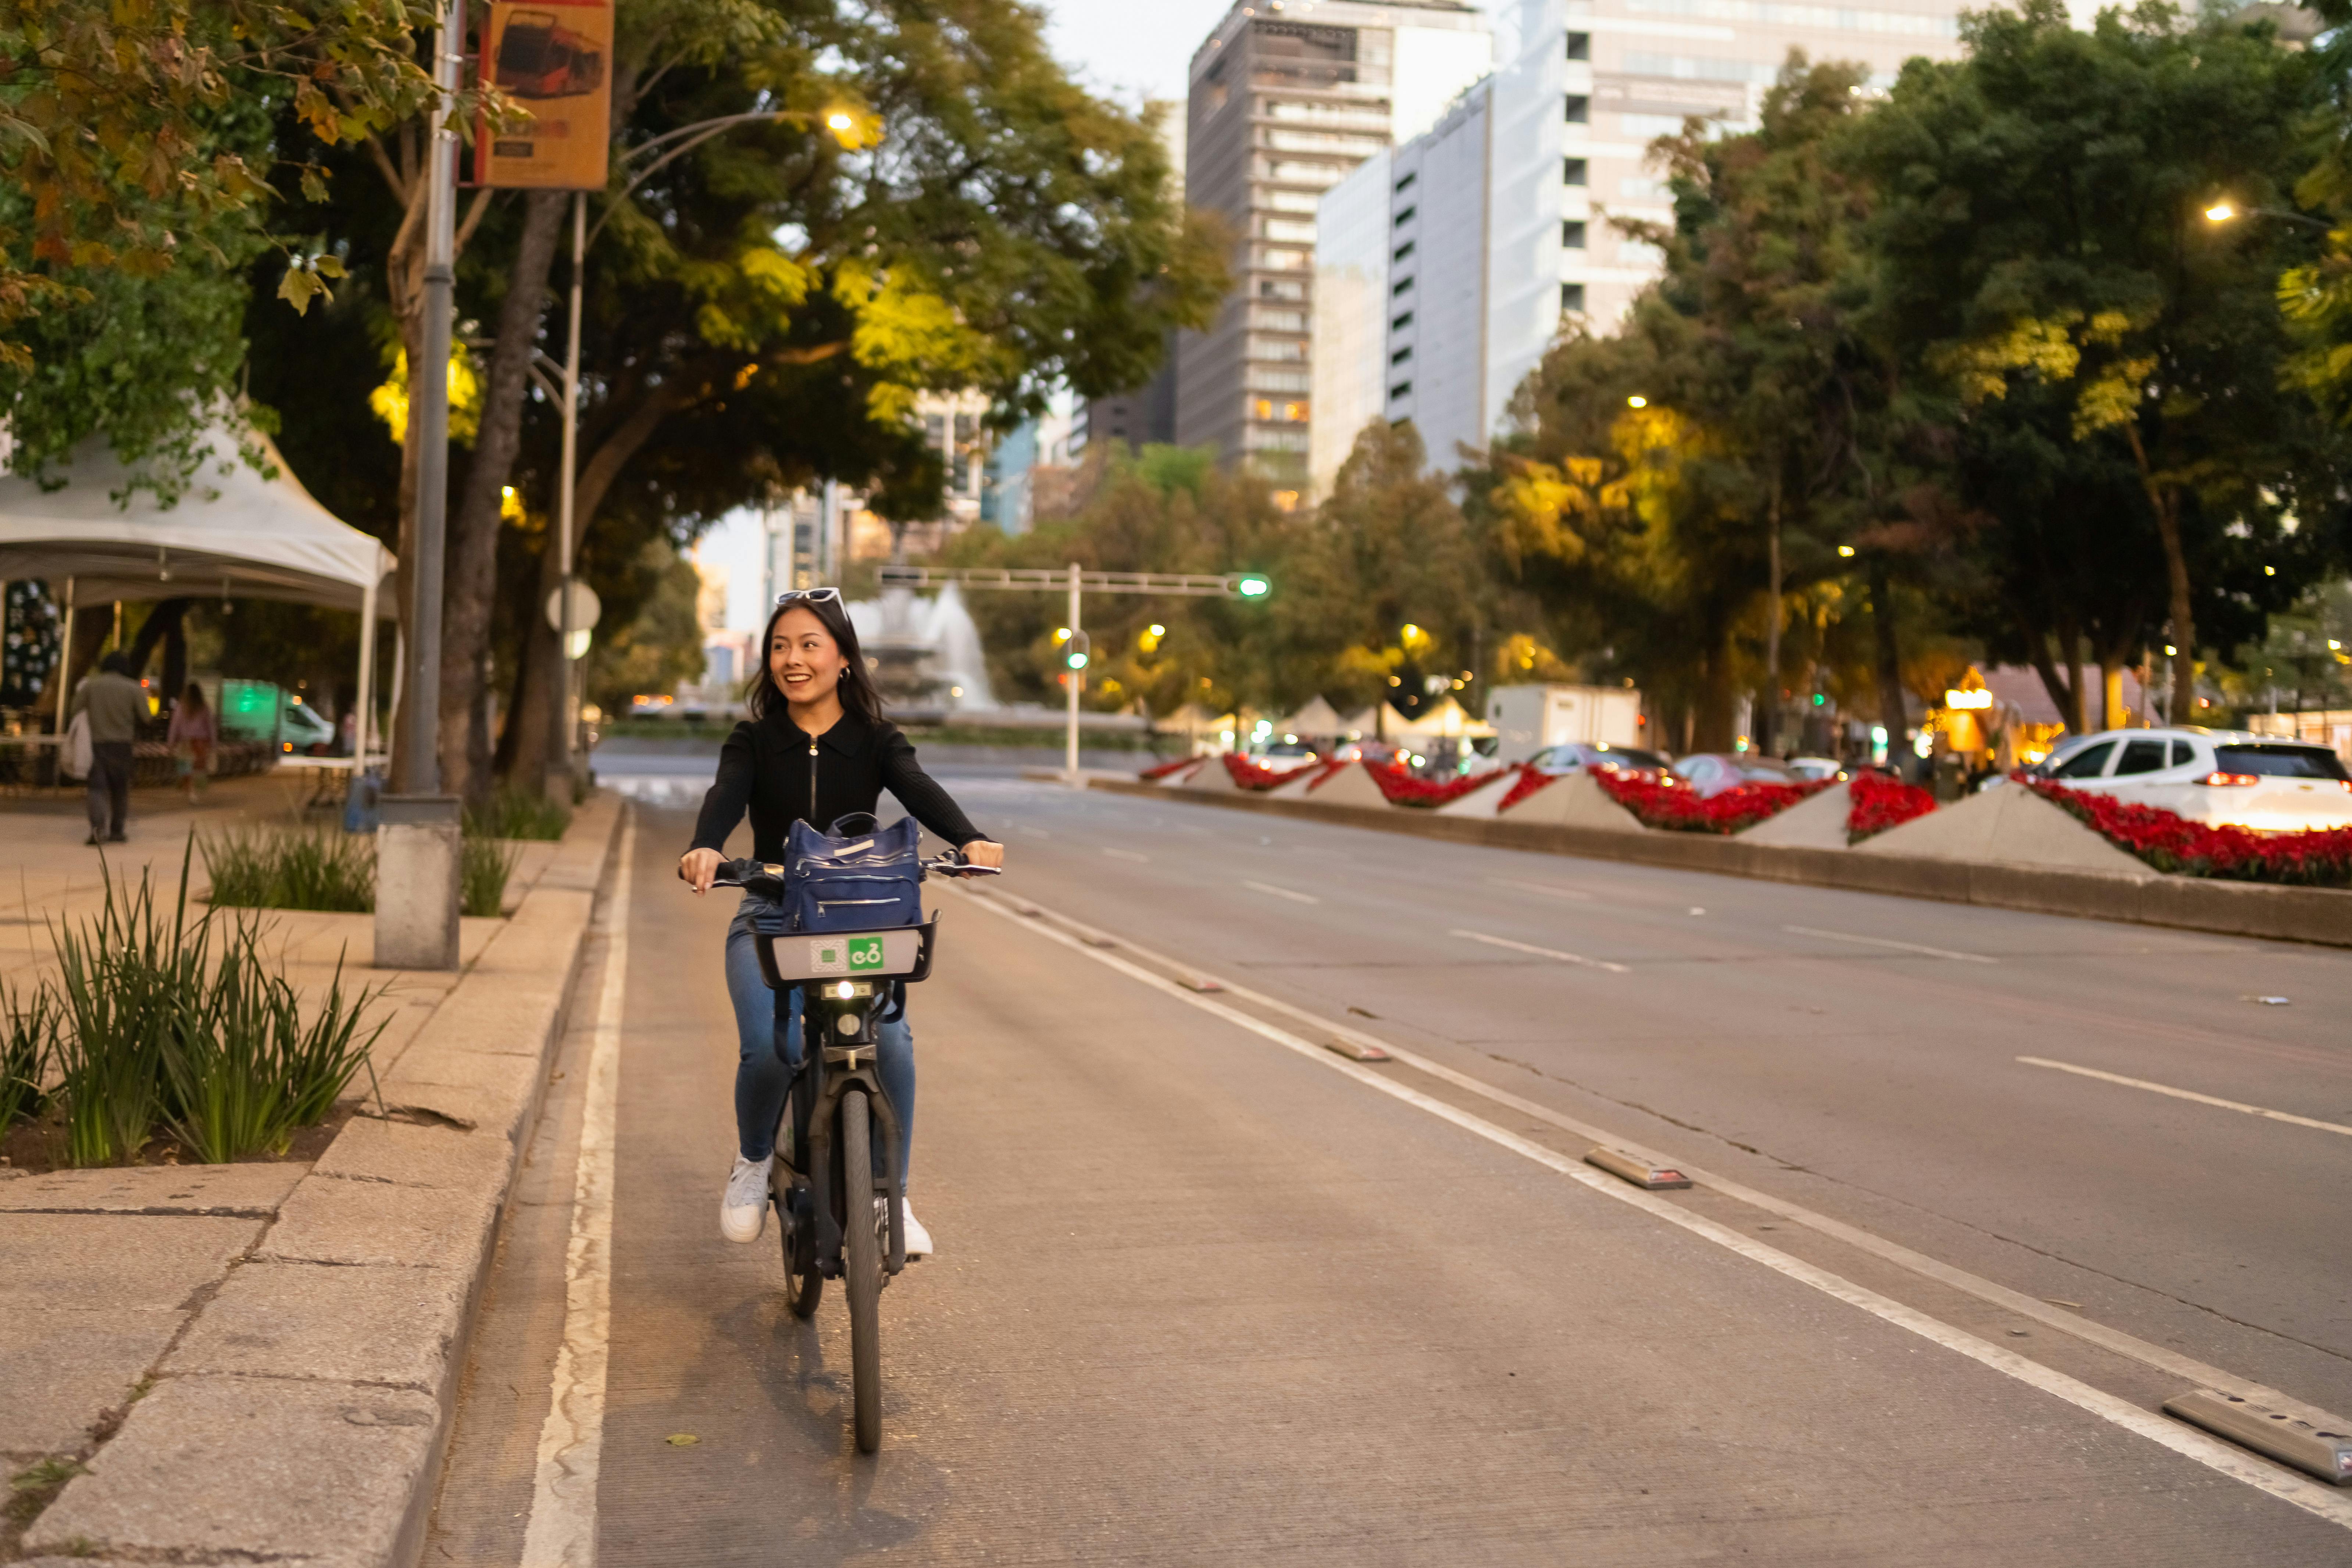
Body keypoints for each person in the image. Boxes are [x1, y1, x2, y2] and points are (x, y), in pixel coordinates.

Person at [679, 589, 1005, 1258]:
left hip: (861, 922)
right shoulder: (754, 740)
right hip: (771, 914)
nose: (792, 660)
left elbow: (916, 786)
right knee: (769, 1048)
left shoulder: (877, 741)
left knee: (892, 1043)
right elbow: (724, 797)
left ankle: (894, 1199)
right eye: (779, 646)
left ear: (844, 660)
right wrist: (707, 845)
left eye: (808, 645)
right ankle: (752, 1161)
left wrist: (970, 838)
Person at [69, 653, 145, 844]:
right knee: (120, 789)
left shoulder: (92, 686)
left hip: (99, 744)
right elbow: (147, 716)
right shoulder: (133, 688)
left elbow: (74, 709)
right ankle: (117, 831)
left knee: (97, 788)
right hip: (123, 745)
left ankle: (97, 830)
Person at [167, 681, 216, 804]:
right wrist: (213, 744)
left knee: (186, 768)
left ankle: (189, 791)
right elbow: (211, 727)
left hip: (185, 742)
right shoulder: (204, 708)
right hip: (200, 743)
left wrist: (171, 744)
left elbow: (175, 726)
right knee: (196, 769)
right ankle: (193, 792)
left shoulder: (181, 707)